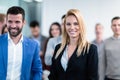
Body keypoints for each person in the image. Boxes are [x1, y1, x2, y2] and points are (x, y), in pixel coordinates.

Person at [48, 9, 98, 80]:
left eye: (76, 24)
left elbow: (93, 78)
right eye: (68, 24)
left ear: (81, 26)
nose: (72, 27)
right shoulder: (58, 48)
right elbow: (52, 76)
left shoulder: (90, 49)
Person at [0, 6, 42, 80]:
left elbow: (37, 71)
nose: (13, 26)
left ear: (23, 22)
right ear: (6, 22)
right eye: (10, 21)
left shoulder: (33, 46)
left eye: (17, 22)